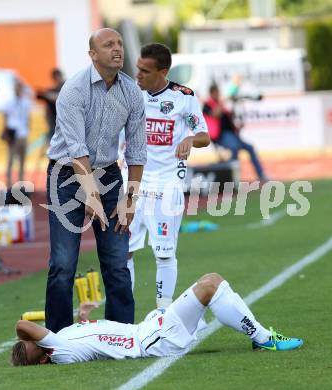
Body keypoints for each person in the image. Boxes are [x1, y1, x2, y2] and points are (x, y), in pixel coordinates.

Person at [45, 28, 147, 333]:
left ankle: (121, 335)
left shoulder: (132, 92)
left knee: (117, 261)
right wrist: (91, 198)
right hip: (66, 175)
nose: (117, 49)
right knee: (63, 264)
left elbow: (137, 151)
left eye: (119, 43)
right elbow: (77, 152)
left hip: (109, 175)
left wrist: (129, 200)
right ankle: (59, 339)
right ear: (93, 55)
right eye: (108, 45)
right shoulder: (74, 90)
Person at [11, 272, 303, 366]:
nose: (32, 337)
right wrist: (25, 338)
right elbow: (21, 326)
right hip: (153, 340)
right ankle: (264, 339)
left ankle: (259, 337)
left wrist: (83, 316)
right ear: (40, 359)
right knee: (211, 284)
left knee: (215, 291)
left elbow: (91, 339)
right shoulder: (58, 351)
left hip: (149, 330)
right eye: (29, 345)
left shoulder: (61, 341)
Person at [126, 43, 210, 308]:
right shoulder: (130, 93)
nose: (138, 74)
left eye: (145, 71)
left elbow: (204, 136)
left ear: (163, 71)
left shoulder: (183, 96)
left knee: (163, 254)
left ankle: (163, 312)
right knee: (122, 253)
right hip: (133, 184)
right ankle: (123, 312)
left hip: (167, 184)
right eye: (137, 68)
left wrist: (189, 139)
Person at [203, 84, 267, 181]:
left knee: (250, 147)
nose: (218, 94)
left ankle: (261, 175)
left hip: (232, 134)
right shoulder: (207, 105)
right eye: (216, 92)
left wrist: (237, 125)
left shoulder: (220, 104)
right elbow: (215, 115)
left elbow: (228, 119)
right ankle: (231, 176)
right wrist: (224, 101)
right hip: (220, 136)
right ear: (212, 93)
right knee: (234, 147)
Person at [2, 81, 32, 187]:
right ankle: (9, 183)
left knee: (22, 161)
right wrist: (5, 132)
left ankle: (20, 182)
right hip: (13, 134)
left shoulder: (26, 102)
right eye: (16, 88)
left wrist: (29, 131)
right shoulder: (9, 102)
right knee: (10, 160)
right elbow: (5, 118)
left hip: (23, 134)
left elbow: (28, 118)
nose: (17, 90)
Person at [36, 68, 65, 142]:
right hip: (53, 123)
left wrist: (46, 95)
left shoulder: (65, 86)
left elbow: (59, 97)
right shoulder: (53, 89)